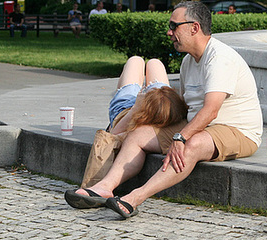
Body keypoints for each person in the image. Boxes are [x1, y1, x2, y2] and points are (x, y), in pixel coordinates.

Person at [65, 1, 263, 219]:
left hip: (237, 130)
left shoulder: (219, 59)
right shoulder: (188, 62)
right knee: (140, 134)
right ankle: (104, 187)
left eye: (174, 26)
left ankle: (134, 198)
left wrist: (180, 137)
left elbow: (211, 111)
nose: (169, 32)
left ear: (194, 27)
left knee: (192, 144)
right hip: (201, 125)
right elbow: (189, 106)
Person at [65, 56, 188, 208]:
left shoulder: (133, 118)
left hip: (128, 108)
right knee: (154, 63)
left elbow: (110, 136)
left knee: (135, 61)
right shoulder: (169, 115)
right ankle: (155, 90)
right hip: (160, 103)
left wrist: (135, 108)